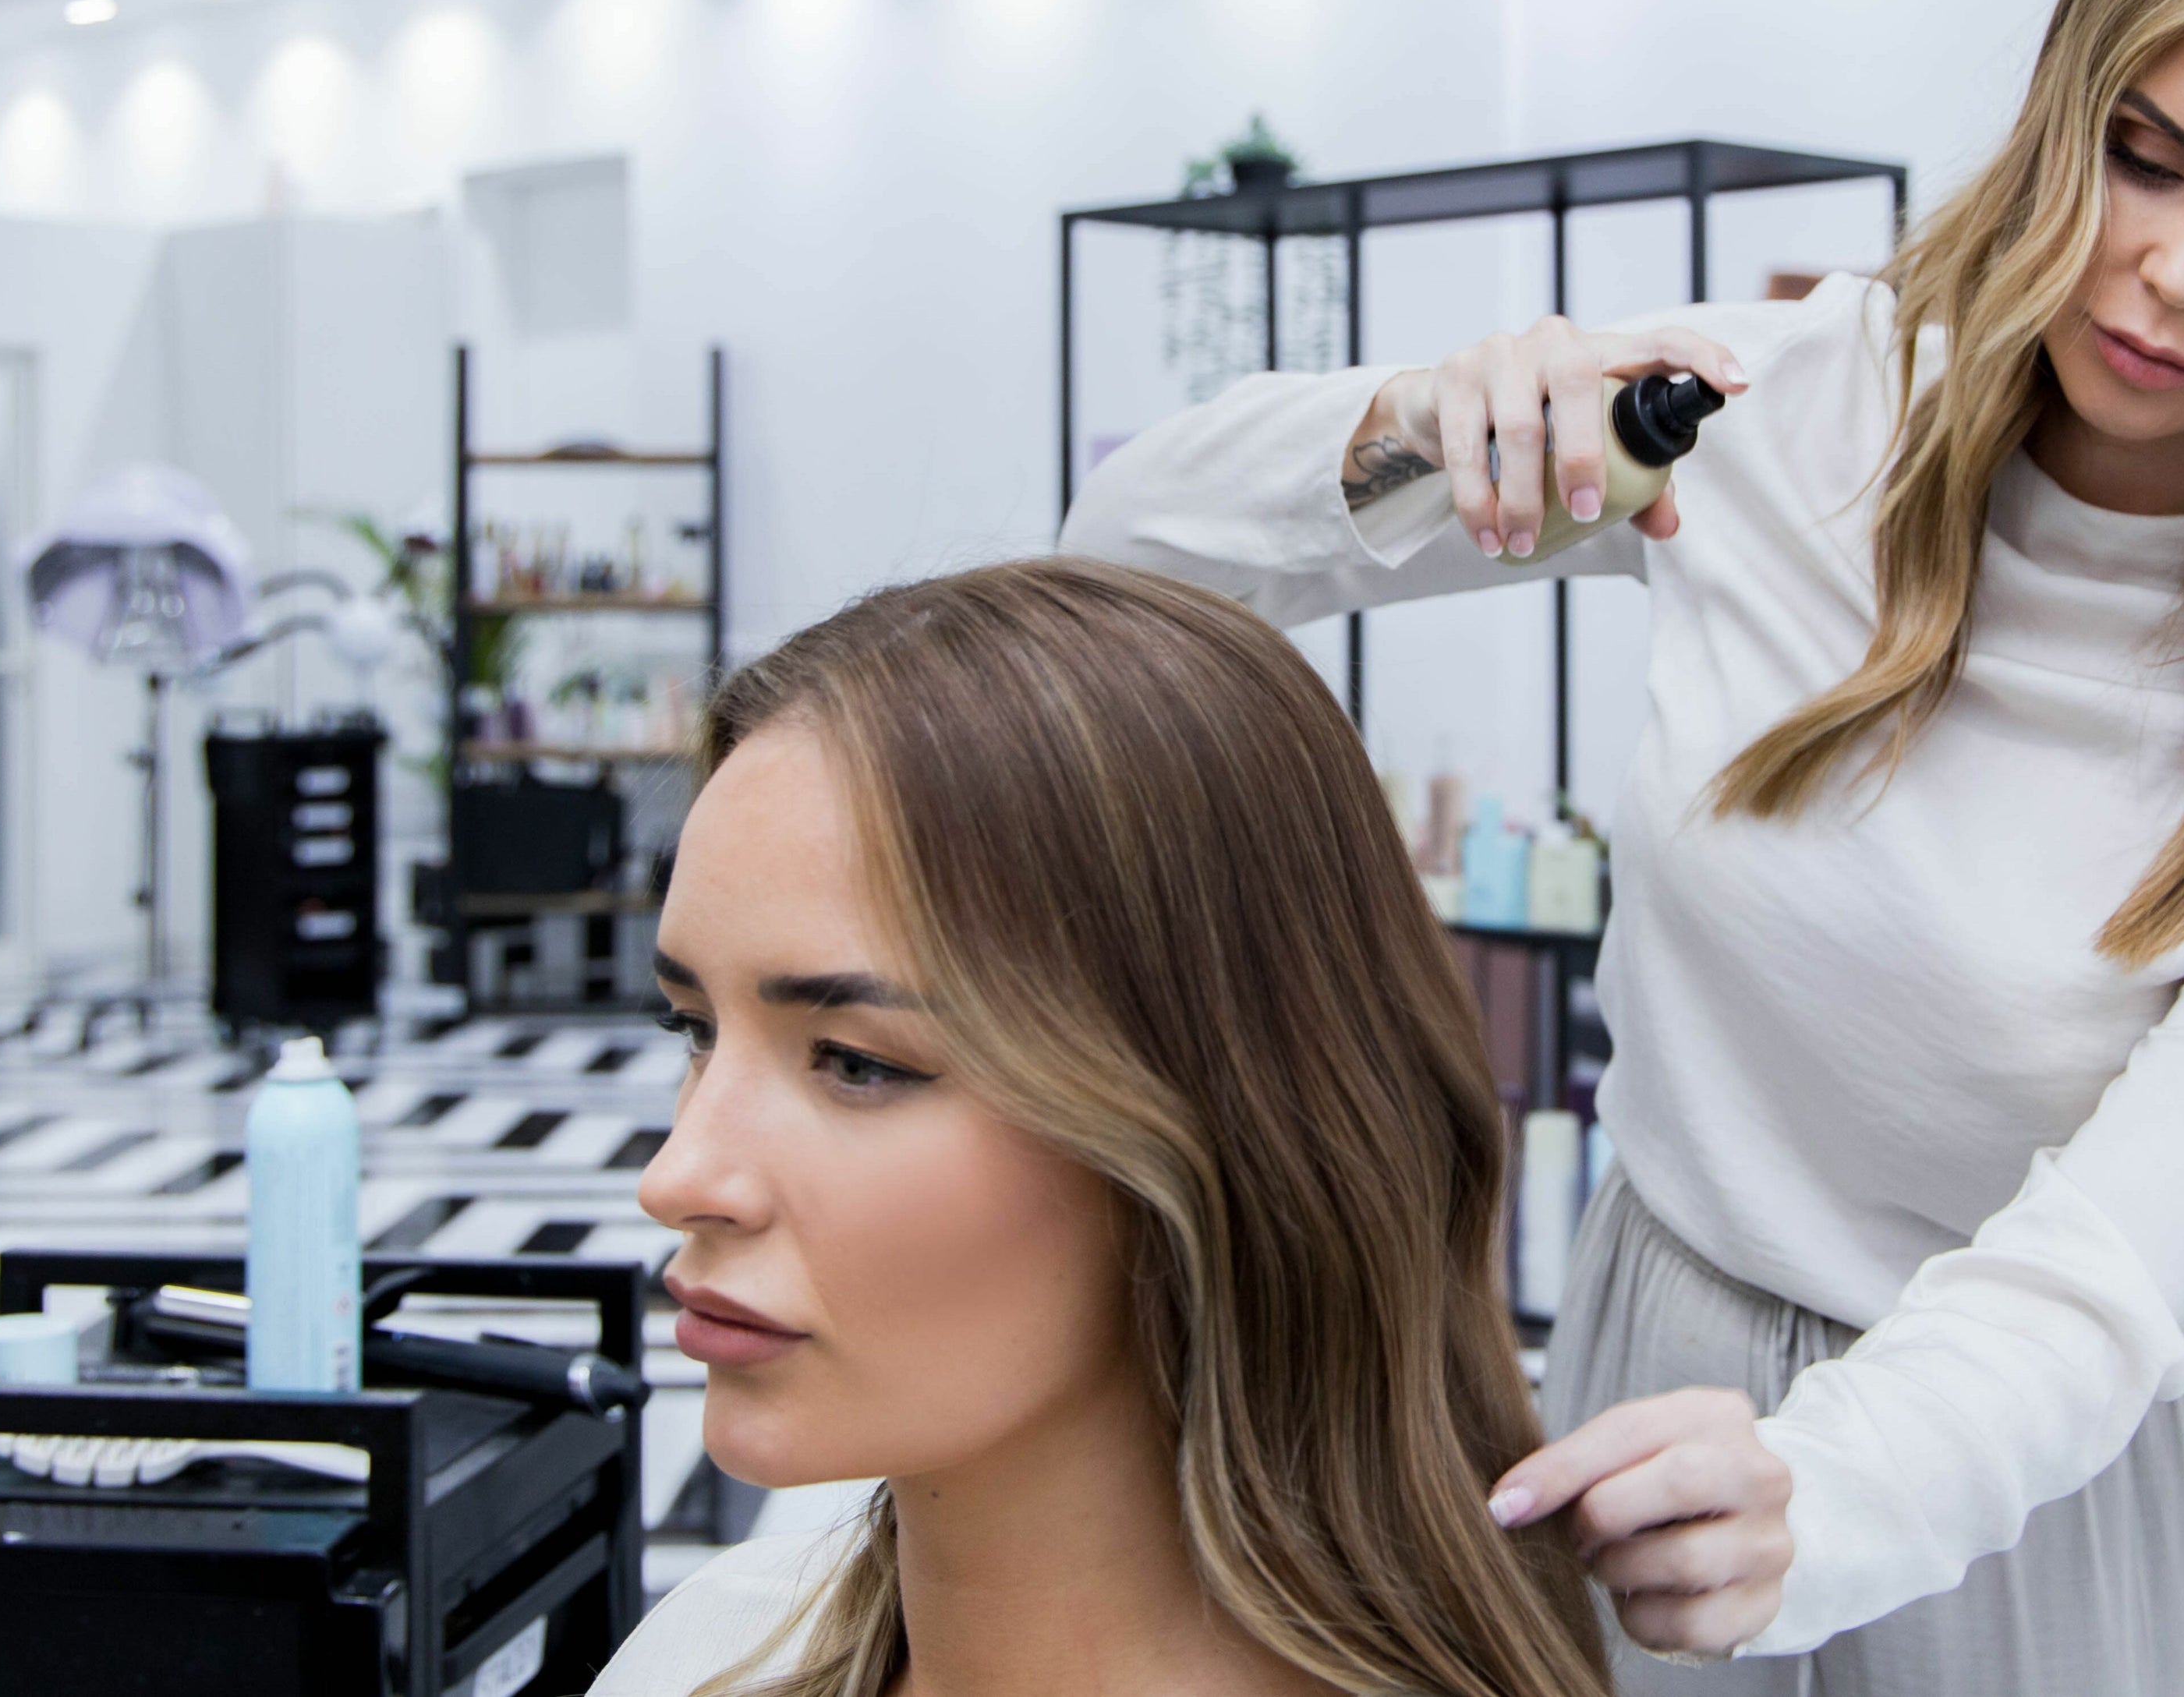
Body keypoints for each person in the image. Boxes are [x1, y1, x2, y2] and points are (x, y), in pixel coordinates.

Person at [1062, 0, 2184, 1693]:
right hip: (1660, 1378)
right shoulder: (1795, 408)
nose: (2182, 269)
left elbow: (2126, 1255)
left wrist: (1827, 1495)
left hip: (2066, 1470)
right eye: (2144, 158)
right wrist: (1420, 424)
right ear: (2067, 109)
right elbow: (1130, 543)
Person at [592, 557, 1609, 1697]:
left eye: (857, 1064)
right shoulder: (703, 1652)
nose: (681, 1176)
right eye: (693, 1027)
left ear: (1220, 1125)